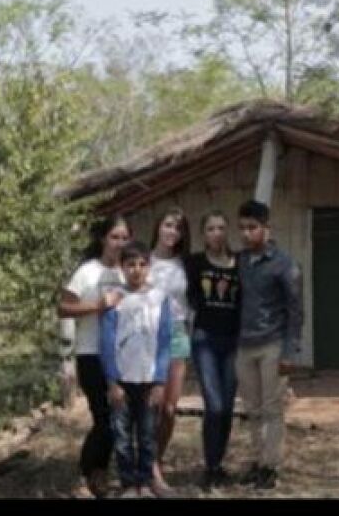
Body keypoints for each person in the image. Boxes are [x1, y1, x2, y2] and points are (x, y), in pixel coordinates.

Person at [57, 215, 130, 498]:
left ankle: (99, 472)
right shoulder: (87, 271)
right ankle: (89, 472)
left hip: (124, 356)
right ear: (103, 239)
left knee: (118, 419)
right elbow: (63, 308)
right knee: (104, 419)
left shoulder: (129, 270)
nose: (120, 243)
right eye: (115, 237)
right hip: (91, 353)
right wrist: (97, 306)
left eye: (125, 238)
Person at [234, 199, 303, 490]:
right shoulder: (239, 261)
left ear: (266, 228)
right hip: (244, 345)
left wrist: (290, 350)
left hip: (273, 344)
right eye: (242, 229)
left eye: (252, 228)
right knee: (252, 408)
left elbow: (296, 310)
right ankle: (258, 461)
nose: (246, 234)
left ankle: (271, 467)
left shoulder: (284, 264)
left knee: (272, 408)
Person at [100, 240, 173, 498]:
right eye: (130, 264)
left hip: (149, 378)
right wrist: (112, 381)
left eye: (142, 264)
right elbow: (107, 342)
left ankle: (145, 481)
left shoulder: (160, 298)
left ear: (149, 267)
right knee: (121, 435)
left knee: (147, 434)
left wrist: (160, 381)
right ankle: (129, 483)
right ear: (122, 267)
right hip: (122, 379)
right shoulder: (114, 299)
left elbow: (165, 341)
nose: (136, 270)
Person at [185, 210, 241, 491]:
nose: (216, 233)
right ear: (203, 234)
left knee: (228, 408)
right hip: (205, 340)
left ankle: (218, 466)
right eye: (210, 229)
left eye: (221, 228)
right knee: (215, 406)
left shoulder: (239, 262)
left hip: (233, 342)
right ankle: (209, 466)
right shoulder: (194, 263)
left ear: (227, 231)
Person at [146, 206, 193, 494]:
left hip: (177, 334)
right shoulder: (142, 260)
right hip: (147, 337)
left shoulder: (186, 265)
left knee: (170, 408)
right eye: (168, 225)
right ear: (158, 227)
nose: (172, 232)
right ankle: (149, 470)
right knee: (150, 405)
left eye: (178, 227)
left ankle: (156, 461)